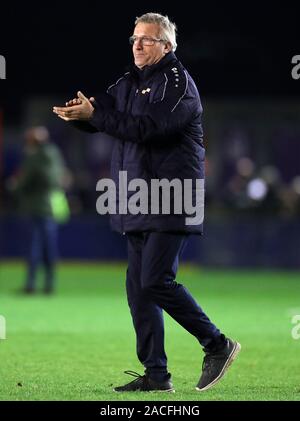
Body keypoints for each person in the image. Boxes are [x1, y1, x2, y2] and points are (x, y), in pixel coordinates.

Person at [53, 12, 241, 392]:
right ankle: (156, 376)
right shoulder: (129, 81)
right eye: (135, 38)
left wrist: (97, 117)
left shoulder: (177, 83)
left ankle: (217, 344)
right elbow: (103, 112)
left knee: (155, 280)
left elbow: (148, 129)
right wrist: (82, 115)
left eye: (147, 39)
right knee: (138, 288)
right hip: (138, 195)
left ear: (167, 46)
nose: (137, 44)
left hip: (173, 195)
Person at [12, 126, 67, 294]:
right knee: (49, 247)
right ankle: (49, 284)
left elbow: (24, 181)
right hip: (51, 205)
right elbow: (59, 178)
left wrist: (14, 186)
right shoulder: (54, 154)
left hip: (38, 206)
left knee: (35, 247)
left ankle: (31, 284)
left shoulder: (35, 156)